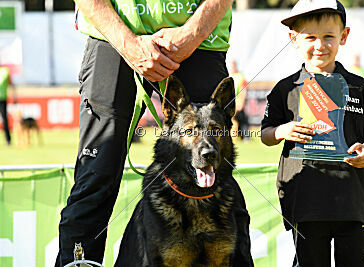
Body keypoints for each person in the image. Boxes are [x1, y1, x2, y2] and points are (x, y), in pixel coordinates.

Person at [55, 0, 253, 266]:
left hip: (199, 37)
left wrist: (191, 33)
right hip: (112, 34)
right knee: (95, 177)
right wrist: (128, 44)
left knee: (219, 172)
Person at [260, 0, 364, 266]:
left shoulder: (358, 87)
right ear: (293, 39)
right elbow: (265, 134)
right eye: (310, 37)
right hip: (305, 201)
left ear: (344, 36)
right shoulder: (285, 89)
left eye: (328, 36)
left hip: (352, 201)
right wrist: (283, 131)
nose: (320, 45)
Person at [230, 60, 250, 141]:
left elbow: (243, 90)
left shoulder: (240, 77)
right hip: (231, 104)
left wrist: (241, 103)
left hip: (238, 103)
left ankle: (245, 138)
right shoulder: (229, 75)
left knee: (242, 120)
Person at [0, 65, 12, 146]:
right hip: (3, 98)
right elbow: (10, 83)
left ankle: (8, 140)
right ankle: (8, 140)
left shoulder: (5, 71)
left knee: (5, 119)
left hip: (2, 98)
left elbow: (9, 83)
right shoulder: (5, 71)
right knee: (5, 119)